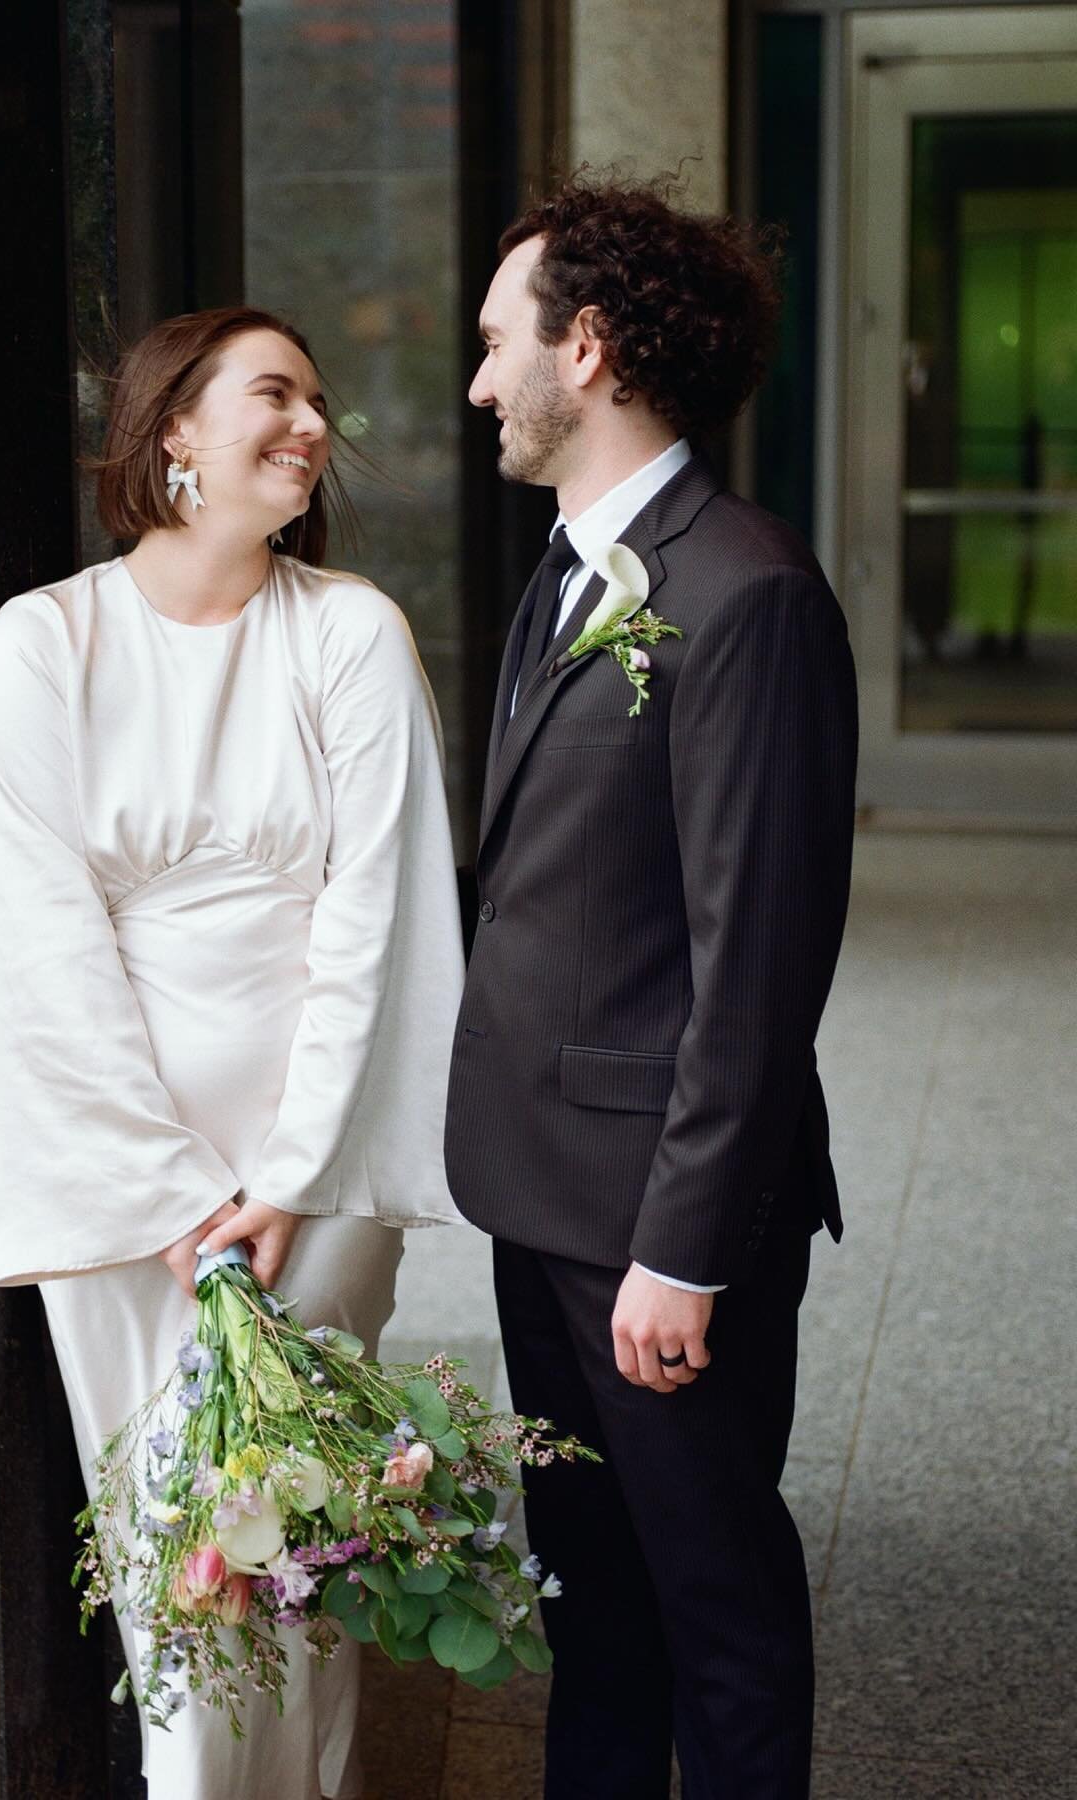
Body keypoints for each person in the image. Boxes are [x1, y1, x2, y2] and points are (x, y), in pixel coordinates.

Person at [0, 306, 464, 1800]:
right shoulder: (47, 643)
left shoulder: (352, 631)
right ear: (171, 428)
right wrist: (174, 1190)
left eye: (320, 399)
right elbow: (40, 937)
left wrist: (295, 1175)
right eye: (274, 394)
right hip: (129, 1190)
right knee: (170, 1569)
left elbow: (382, 911)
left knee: (306, 1574)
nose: (311, 423)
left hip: (316, 1172)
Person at [444, 175, 859, 1798]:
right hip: (541, 1199)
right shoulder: (569, 566)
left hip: (662, 1231)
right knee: (591, 1607)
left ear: (590, 349)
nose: (481, 380)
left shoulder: (747, 592)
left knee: (717, 1608)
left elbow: (757, 968)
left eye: (499, 342)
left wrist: (678, 1253)